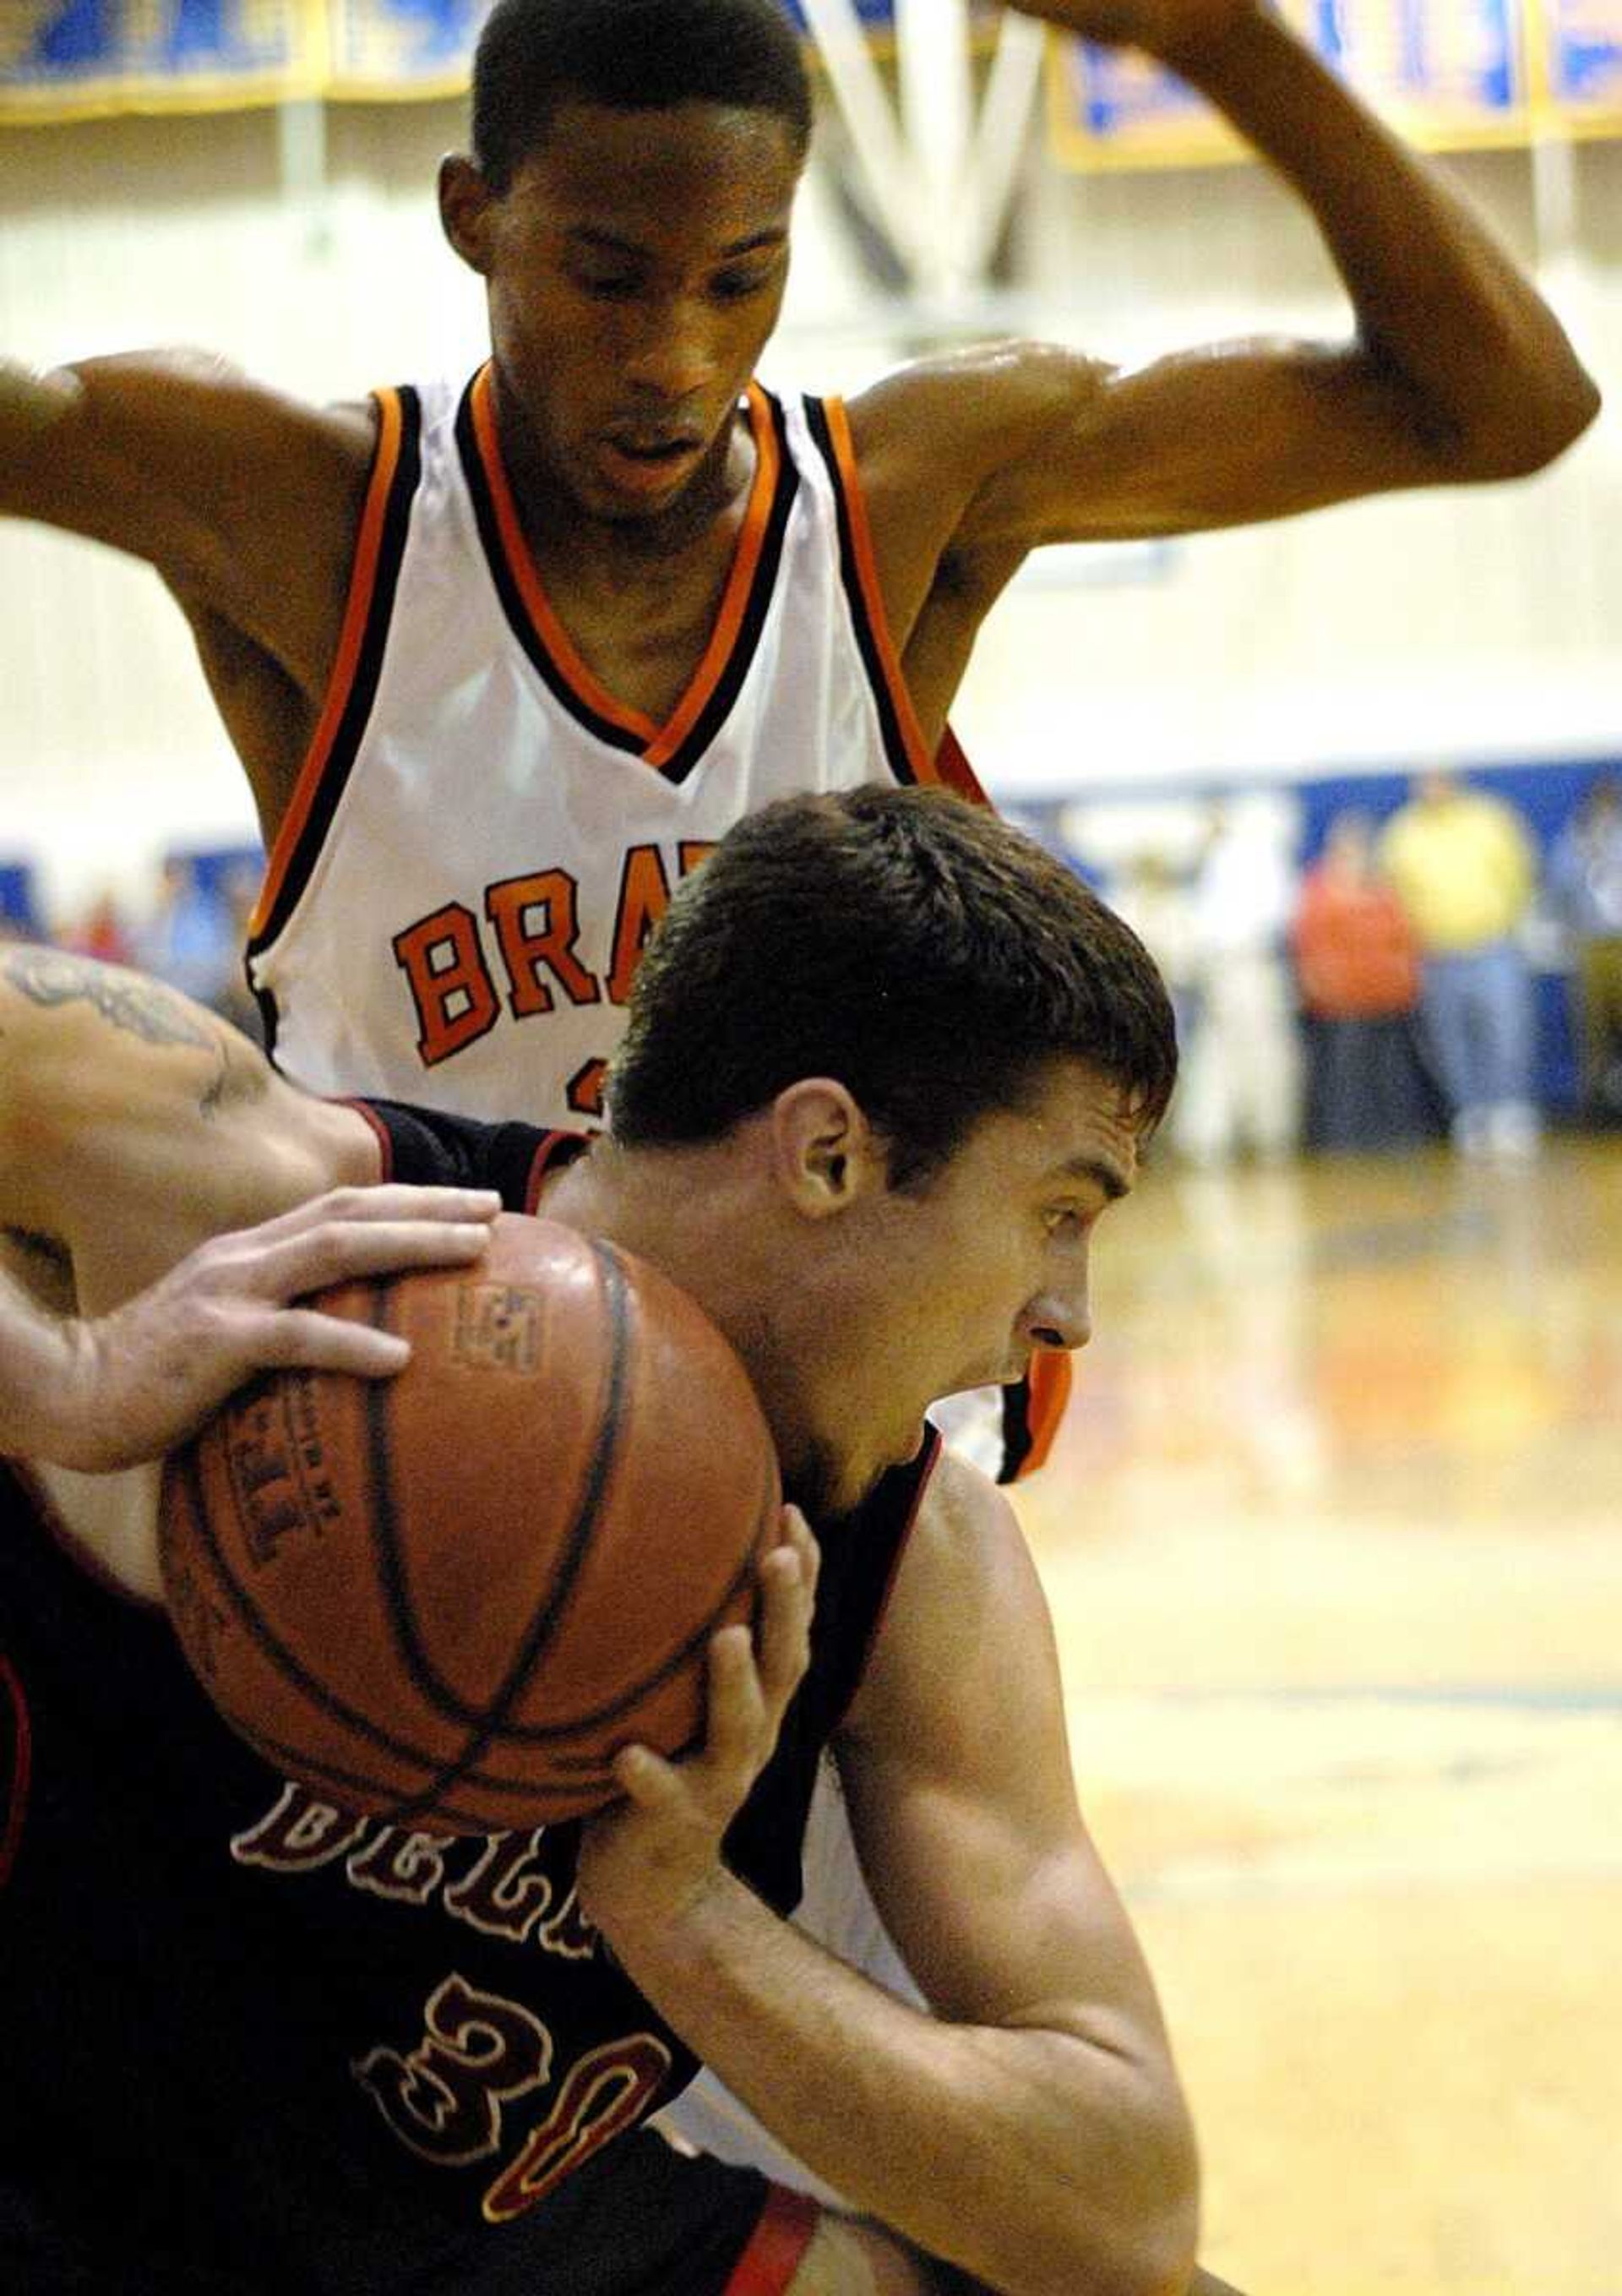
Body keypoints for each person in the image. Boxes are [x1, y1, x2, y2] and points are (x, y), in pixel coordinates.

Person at [0, 0, 1598, 2195]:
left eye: (741, 277)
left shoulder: (908, 490)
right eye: (607, 273)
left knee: (986, 2201)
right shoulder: (307, 509)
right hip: (412, 1529)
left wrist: (1228, 43)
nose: (676, 353)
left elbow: (1504, 403)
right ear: (476, 221)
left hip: (827, 1574)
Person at [0, 786, 1250, 2296]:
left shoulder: (920, 1568)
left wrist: (685, 1917)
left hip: (476, 2251)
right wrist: (58, 1378)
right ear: (830, 1155)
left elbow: (1122, 2215)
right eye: (1057, 1208)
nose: (1070, 1313)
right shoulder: (272, 1211)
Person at [1379, 768, 1543, 1159]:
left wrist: (1509, 919)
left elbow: (1520, 872)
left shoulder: (1489, 818)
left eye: (1438, 777)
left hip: (1493, 945)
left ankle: (1510, 1111)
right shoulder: (1403, 832)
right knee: (1449, 1040)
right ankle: (1470, 1114)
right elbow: (1392, 892)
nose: (1431, 785)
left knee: (1506, 1030)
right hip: (1435, 952)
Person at [1292, 807, 1431, 1153]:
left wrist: (1406, 978)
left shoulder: (1384, 888)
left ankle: (1395, 1136)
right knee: (1346, 1076)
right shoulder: (1318, 889)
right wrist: (1317, 984)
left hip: (1388, 997)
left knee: (1391, 1073)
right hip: (1341, 1001)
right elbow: (1307, 943)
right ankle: (1345, 1140)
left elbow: (1404, 935)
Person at [1548, 772, 1622, 1122]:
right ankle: (1596, 1107)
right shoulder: (1574, 841)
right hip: (1592, 946)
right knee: (1593, 1030)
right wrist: (1585, 853)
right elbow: (1559, 891)